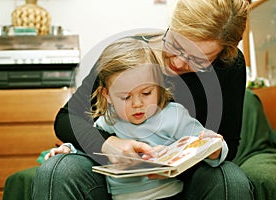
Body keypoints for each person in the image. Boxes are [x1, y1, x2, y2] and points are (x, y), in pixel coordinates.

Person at [32, 0, 253, 199]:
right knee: (57, 169)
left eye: (198, 59)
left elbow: (227, 145)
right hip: (116, 182)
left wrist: (181, 160)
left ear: (223, 54)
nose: (178, 62)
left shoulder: (229, 67)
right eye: (175, 44)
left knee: (230, 179)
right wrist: (107, 144)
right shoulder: (126, 55)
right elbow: (66, 119)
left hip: (185, 182)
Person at [43, 38, 228, 199]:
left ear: (159, 87)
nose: (137, 103)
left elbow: (207, 143)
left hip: (170, 196)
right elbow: (87, 148)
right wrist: (67, 149)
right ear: (107, 96)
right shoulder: (107, 123)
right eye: (126, 97)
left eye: (146, 93)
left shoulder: (175, 116)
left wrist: (214, 150)